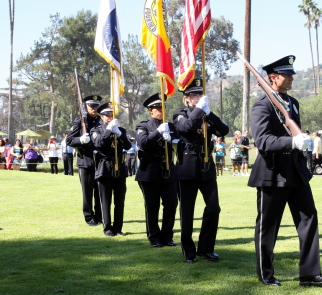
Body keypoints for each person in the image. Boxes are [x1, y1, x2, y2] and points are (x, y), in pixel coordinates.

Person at [248, 55, 322, 286]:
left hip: (295, 172)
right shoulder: (262, 105)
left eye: (291, 74)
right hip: (272, 173)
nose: (291, 78)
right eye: (287, 75)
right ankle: (266, 274)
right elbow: (263, 141)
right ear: (273, 78)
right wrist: (292, 143)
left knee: (309, 219)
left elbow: (292, 129)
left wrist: (302, 140)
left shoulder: (292, 103)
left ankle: (310, 273)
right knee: (268, 227)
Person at [173, 78, 229, 263]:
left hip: (206, 166)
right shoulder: (180, 113)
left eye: (199, 95)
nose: (197, 98)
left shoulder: (205, 114)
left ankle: (206, 248)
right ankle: (188, 251)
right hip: (187, 166)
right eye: (193, 95)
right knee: (187, 211)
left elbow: (223, 130)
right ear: (187, 98)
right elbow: (186, 127)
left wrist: (209, 113)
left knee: (214, 207)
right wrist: (199, 111)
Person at [135, 93, 179, 247]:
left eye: (163, 107)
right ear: (150, 110)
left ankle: (167, 236)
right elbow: (144, 143)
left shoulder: (171, 126)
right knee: (152, 207)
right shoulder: (143, 126)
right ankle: (154, 237)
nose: (161, 110)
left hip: (168, 171)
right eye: (157, 108)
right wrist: (158, 132)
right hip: (150, 172)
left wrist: (173, 139)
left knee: (171, 204)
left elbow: (179, 145)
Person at [90, 103, 131, 237]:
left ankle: (118, 228)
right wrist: (109, 129)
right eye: (107, 115)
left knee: (120, 200)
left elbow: (128, 145)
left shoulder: (121, 130)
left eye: (111, 115)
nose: (109, 117)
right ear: (101, 117)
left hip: (119, 167)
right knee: (105, 200)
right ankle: (107, 228)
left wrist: (119, 133)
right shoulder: (96, 130)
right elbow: (99, 143)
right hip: (105, 168)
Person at [67, 95, 103, 226]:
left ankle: (99, 216)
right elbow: (70, 140)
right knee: (87, 192)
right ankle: (89, 217)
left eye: (96, 106)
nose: (94, 108)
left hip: (99, 161)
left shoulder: (101, 120)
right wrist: (80, 140)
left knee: (99, 191)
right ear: (86, 107)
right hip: (86, 161)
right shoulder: (80, 121)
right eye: (91, 106)